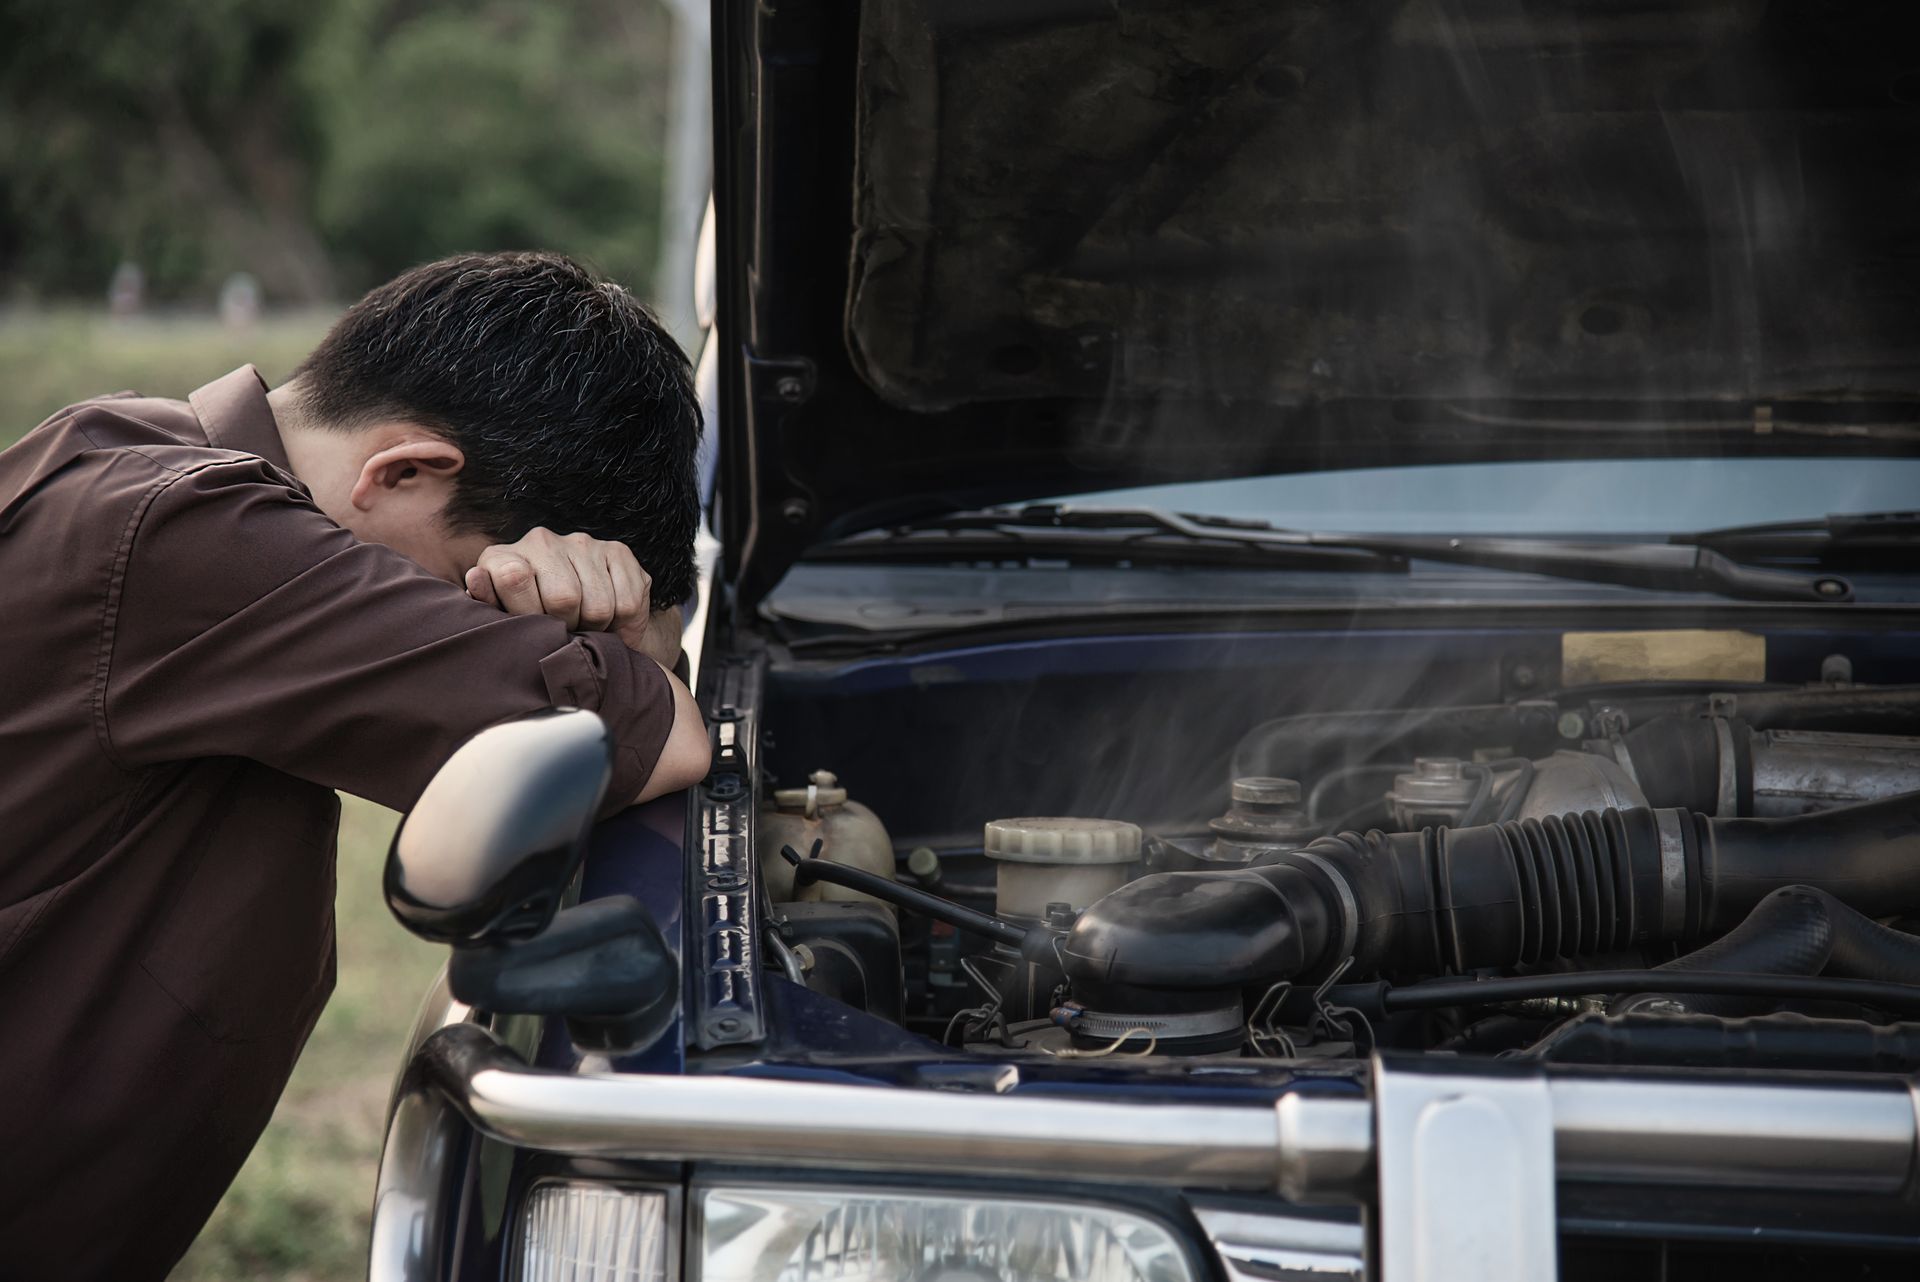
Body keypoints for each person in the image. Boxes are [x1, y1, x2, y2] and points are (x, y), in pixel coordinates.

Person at [0, 251, 712, 1279]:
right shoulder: (192, 537)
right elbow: (660, 736)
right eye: (479, 598)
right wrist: (632, 647)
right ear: (401, 472)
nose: (470, 634)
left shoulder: (129, 455)